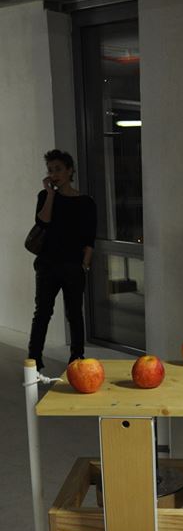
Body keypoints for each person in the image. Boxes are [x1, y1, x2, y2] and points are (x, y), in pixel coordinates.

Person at [27, 150, 97, 372]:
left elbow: (90, 239)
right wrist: (50, 194)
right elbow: (43, 222)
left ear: (70, 170)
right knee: (42, 312)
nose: (54, 174)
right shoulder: (45, 196)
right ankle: (34, 359)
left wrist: (84, 266)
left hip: (73, 266)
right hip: (47, 265)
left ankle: (77, 359)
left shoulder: (86, 202)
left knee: (74, 313)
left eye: (58, 169)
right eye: (50, 170)